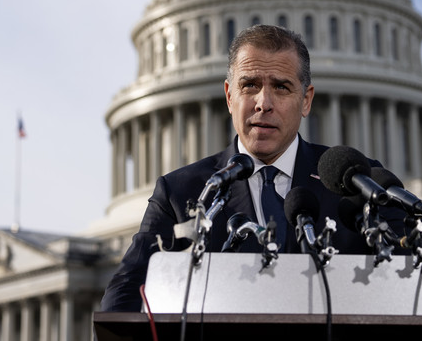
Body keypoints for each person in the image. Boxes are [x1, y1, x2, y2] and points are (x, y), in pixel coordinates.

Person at [100, 24, 390, 312]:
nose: (263, 103)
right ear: (229, 96)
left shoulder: (358, 184)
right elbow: (124, 298)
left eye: (281, 87)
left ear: (306, 100)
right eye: (250, 85)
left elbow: (418, 282)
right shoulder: (181, 192)